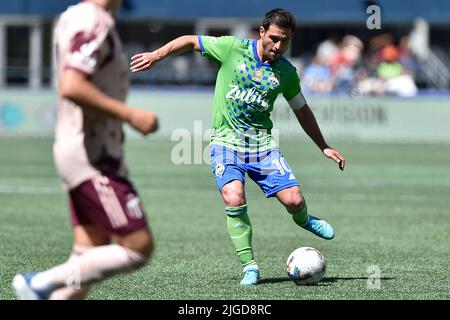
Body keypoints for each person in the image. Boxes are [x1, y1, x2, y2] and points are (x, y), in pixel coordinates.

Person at [130, 8, 345, 286]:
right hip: (225, 143)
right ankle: (250, 267)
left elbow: (302, 110)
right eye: (275, 39)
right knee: (234, 197)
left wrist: (323, 146)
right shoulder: (231, 48)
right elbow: (189, 40)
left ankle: (304, 219)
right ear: (262, 33)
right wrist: (157, 56)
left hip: (261, 146)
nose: (279, 46)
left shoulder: (286, 73)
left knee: (294, 200)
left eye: (286, 41)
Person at [12, 0, 158, 300]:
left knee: (88, 257)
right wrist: (130, 115)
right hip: (92, 156)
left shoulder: (77, 16)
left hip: (85, 150)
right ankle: (39, 283)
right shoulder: (94, 20)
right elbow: (72, 84)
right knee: (138, 246)